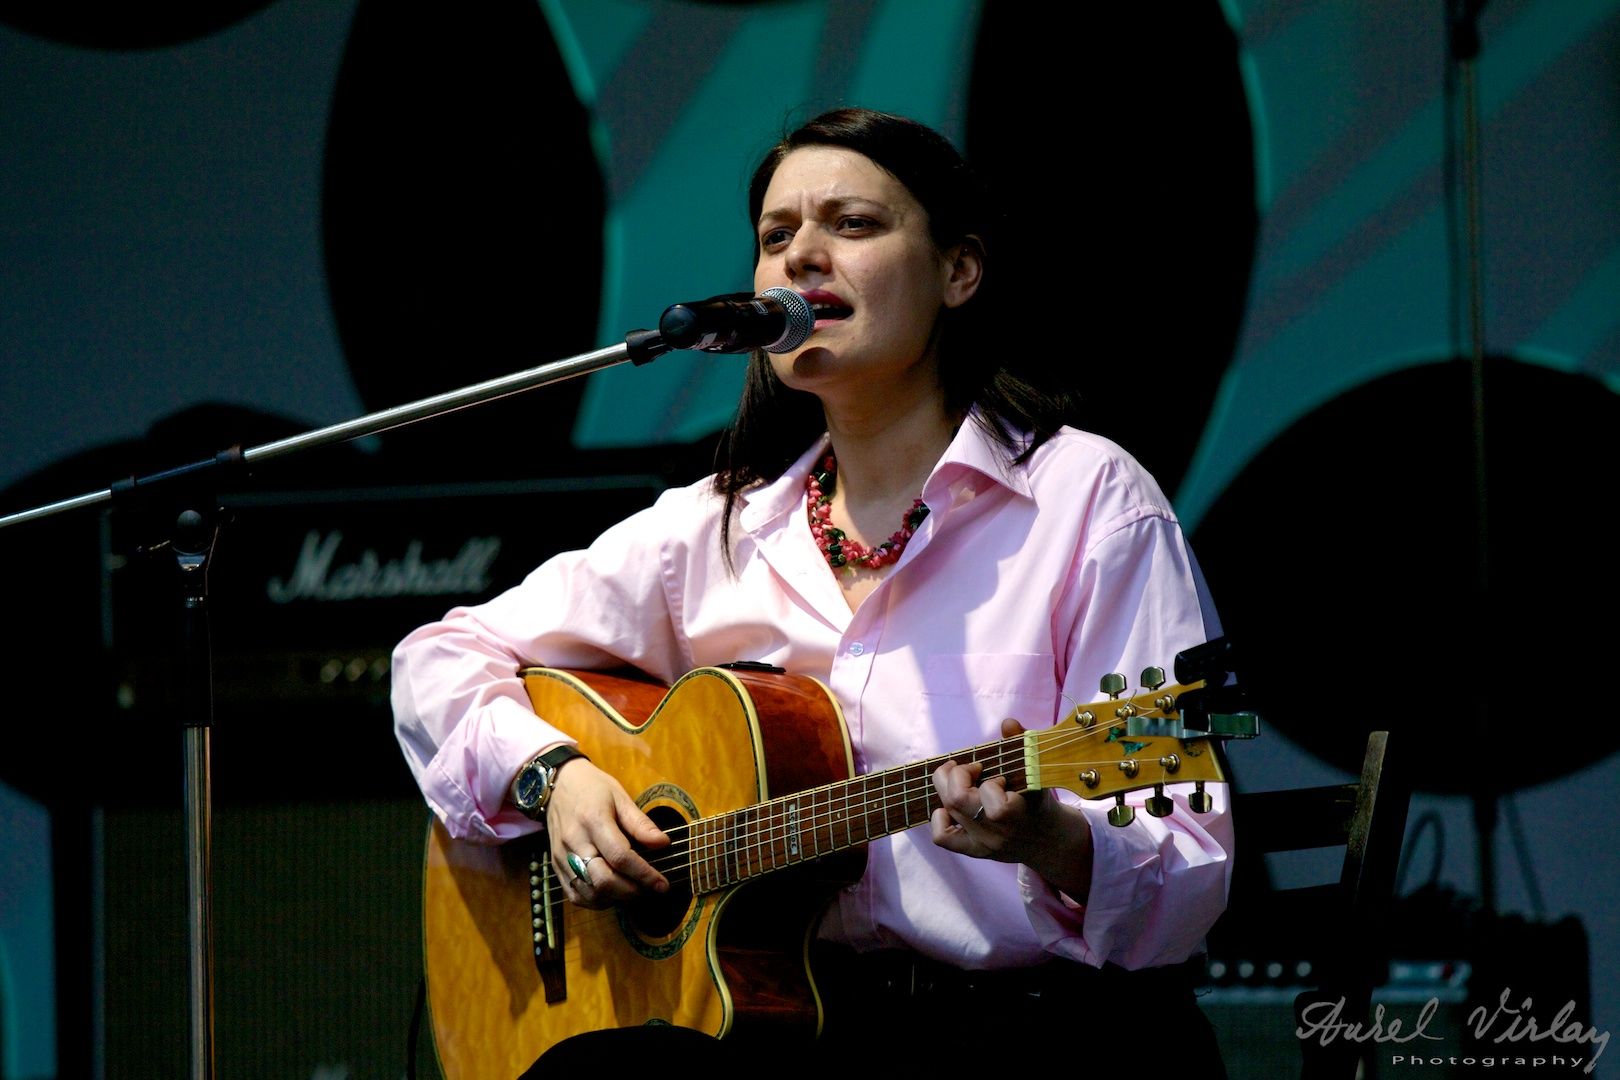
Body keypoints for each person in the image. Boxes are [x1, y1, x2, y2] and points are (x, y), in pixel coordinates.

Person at [392, 107, 1231, 1073]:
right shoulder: (715, 528)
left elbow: (1186, 876)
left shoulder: (1085, 499)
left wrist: (1055, 841)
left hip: (1049, 1033)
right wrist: (555, 780)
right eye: (775, 236)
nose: (801, 257)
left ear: (959, 271)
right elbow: (436, 660)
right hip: (797, 1028)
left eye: (853, 224)